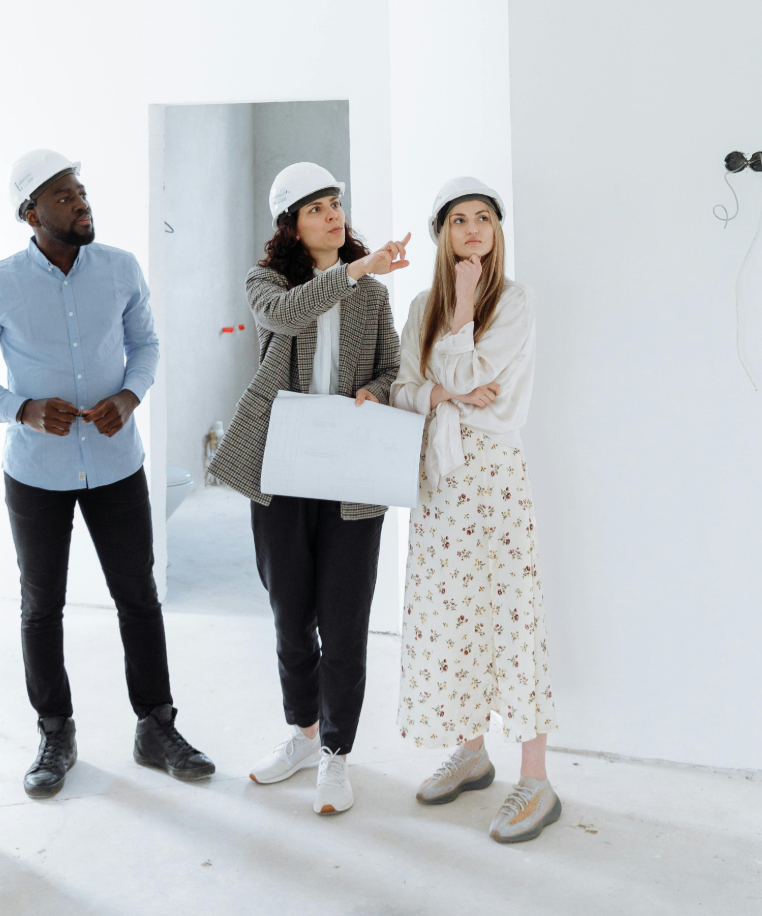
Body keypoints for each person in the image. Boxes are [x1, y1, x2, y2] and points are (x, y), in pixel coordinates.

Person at [0, 149, 214, 799]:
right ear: (30, 213)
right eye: (63, 197)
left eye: (81, 191)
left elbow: (146, 345)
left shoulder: (121, 269)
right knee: (41, 607)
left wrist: (130, 396)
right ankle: (55, 732)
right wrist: (22, 410)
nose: (80, 203)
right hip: (36, 474)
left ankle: (157, 726)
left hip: (117, 466)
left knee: (139, 597)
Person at [208, 162, 408, 815]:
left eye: (336, 205)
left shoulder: (372, 295)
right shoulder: (267, 282)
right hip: (282, 471)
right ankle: (303, 733)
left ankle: (336, 754)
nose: (333, 216)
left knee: (344, 622)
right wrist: (352, 269)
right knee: (291, 617)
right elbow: (289, 316)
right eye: (317, 208)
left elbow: (389, 368)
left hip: (350, 472)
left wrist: (373, 392)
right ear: (292, 224)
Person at [390, 176, 560, 843]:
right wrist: (441, 390)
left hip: (494, 481)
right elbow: (409, 389)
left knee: (511, 617)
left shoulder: (514, 303)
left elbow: (470, 386)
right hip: (439, 484)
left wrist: (461, 313)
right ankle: (471, 750)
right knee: (449, 615)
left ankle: (538, 778)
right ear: (442, 234)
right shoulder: (419, 306)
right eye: (458, 219)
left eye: (483, 218)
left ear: (497, 230)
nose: (472, 230)